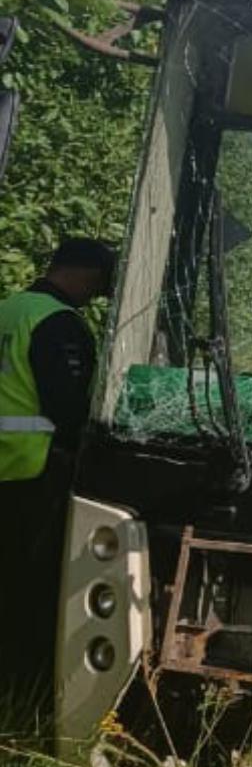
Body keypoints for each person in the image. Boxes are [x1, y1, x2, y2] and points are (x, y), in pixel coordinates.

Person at [0, 237, 116, 692]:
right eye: (100, 285)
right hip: (34, 472)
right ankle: (19, 692)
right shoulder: (59, 324)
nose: (95, 296)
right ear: (86, 273)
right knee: (28, 593)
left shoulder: (10, 309)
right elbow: (69, 410)